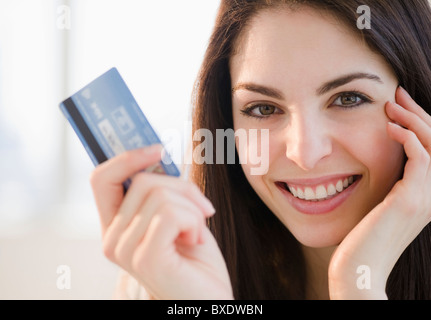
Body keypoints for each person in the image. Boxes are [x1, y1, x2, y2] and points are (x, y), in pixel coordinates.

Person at [90, 0, 431, 300]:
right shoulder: (169, 282)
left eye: (348, 99)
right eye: (264, 109)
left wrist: (357, 283)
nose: (305, 154)